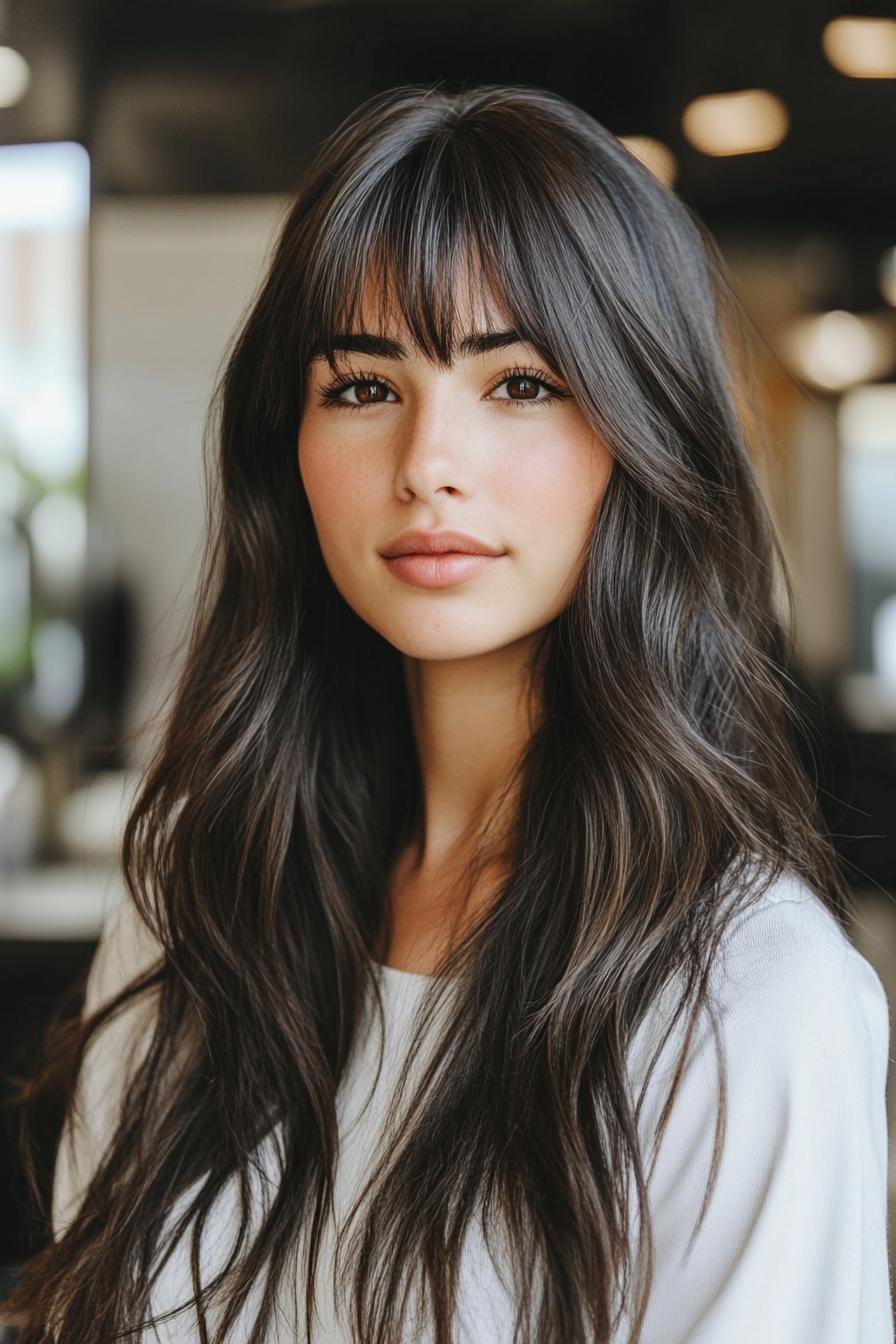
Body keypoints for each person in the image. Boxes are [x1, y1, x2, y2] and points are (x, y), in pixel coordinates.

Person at [6, 81, 893, 1344]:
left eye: (519, 384)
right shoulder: (196, 893)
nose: (427, 460)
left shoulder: (750, 993)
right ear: (288, 446)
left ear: (642, 434)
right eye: (363, 386)